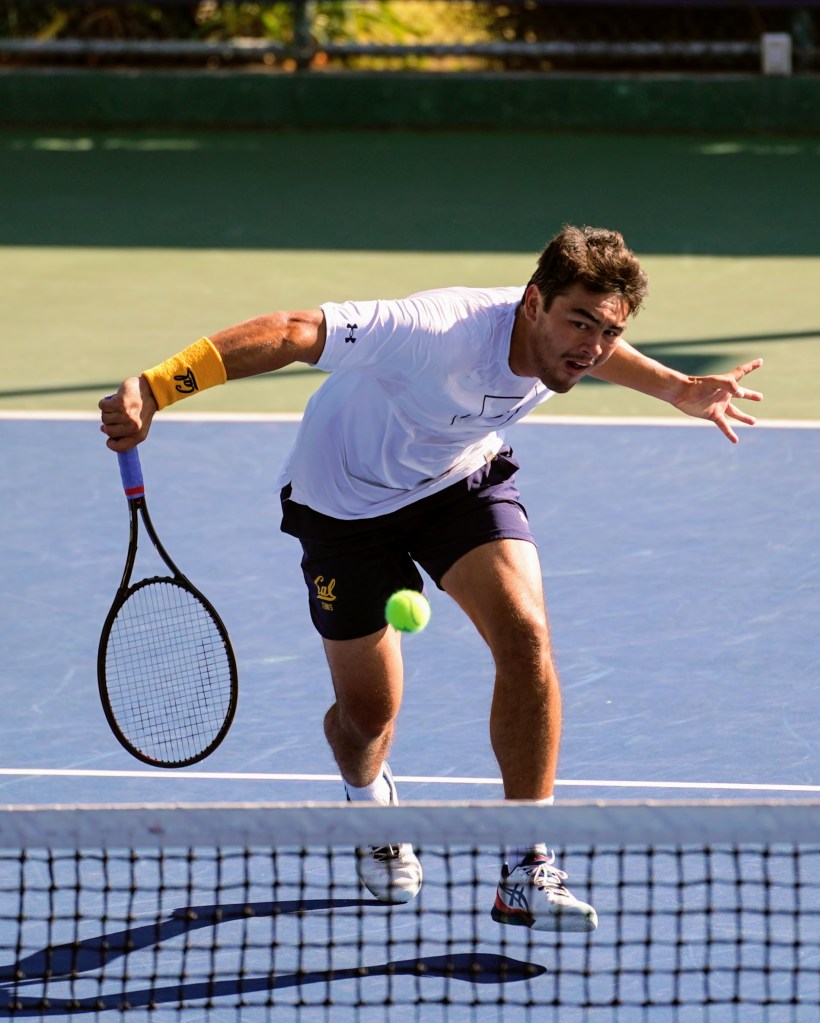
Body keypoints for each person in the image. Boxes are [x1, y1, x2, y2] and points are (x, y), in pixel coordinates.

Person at [99, 224, 762, 933]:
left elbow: (597, 348)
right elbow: (294, 332)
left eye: (609, 331)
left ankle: (527, 865)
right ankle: (370, 808)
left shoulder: (571, 345)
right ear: (533, 302)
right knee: (367, 717)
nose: (592, 348)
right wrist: (157, 386)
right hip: (343, 509)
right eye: (579, 323)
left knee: (526, 637)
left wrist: (677, 388)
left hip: (458, 484)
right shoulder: (437, 331)